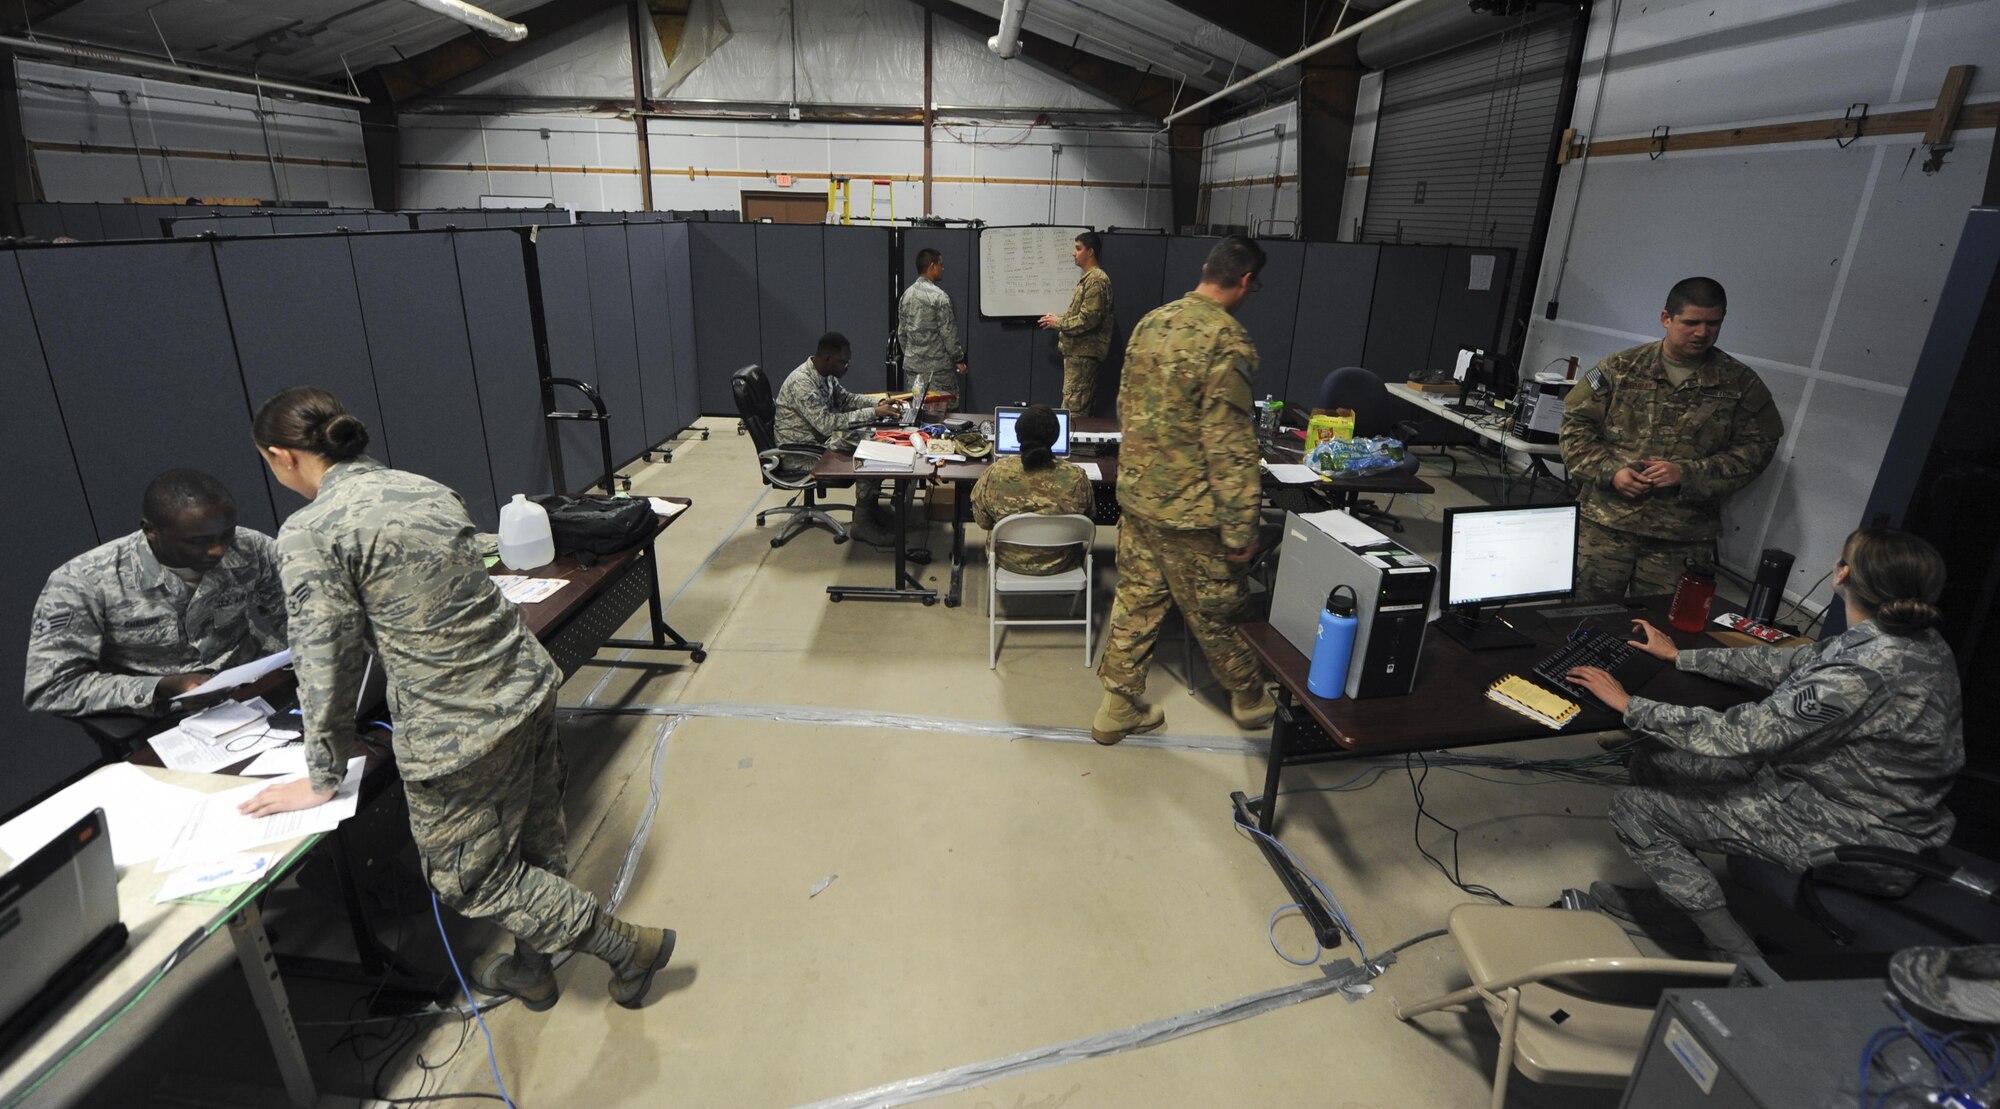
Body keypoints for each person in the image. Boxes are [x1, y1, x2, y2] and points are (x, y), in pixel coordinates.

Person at [238, 387, 674, 1010]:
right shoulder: (424, 487)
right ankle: (533, 969)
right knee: (534, 842)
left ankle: (624, 947)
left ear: (281, 457)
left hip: (456, 726)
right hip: (523, 684)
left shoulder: (310, 530)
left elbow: (324, 661)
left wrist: (321, 776)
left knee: (468, 880)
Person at [1567, 527, 1963, 958]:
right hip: (1857, 805)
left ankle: (1734, 952)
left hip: (1855, 838)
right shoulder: (1912, 639)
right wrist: (1681, 656)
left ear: (1842, 574)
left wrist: (1629, 704)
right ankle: (1678, 899)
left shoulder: (1863, 671)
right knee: (1653, 762)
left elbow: (1743, 735)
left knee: (1634, 808)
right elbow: (1788, 661)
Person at [1092, 236, 1276, 745]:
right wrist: (1241, 527)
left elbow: (1127, 409)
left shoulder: (1153, 323)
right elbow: (1229, 442)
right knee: (1218, 607)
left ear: (1204, 270)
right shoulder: (1228, 340)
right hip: (1192, 512)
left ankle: (1118, 706)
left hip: (1138, 496)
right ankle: (1251, 698)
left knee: (1137, 600)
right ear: (1244, 282)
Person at [1559, 277, 1783, 601]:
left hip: (1682, 536)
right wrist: (1610, 472)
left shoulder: (1740, 383)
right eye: (1691, 322)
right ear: (1666, 318)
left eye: (1713, 323)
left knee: (1662, 629)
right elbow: (1574, 426)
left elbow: (1759, 447)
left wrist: (1689, 474)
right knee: (1579, 617)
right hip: (1606, 526)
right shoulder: (1620, 368)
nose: (1702, 332)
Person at [25, 469, 286, 719]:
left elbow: (299, 614)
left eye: (226, 534)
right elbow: (51, 688)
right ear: (150, 530)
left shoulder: (249, 547)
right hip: (165, 714)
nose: (218, 550)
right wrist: (160, 687)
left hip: (257, 684)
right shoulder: (84, 581)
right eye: (199, 541)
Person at [774, 331, 903, 548]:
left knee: (874, 440)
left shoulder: (825, 375)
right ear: (828, 358)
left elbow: (846, 400)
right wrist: (874, 412)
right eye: (844, 362)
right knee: (868, 453)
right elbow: (825, 423)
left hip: (819, 441)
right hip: (803, 452)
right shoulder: (802, 383)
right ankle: (862, 524)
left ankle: (869, 509)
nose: (847, 366)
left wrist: (879, 402)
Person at [971, 404, 1095, 576]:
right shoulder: (1077, 477)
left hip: (1007, 561)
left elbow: (982, 521)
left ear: (1018, 436)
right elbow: (1087, 519)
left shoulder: (995, 473)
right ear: (1056, 436)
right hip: (1061, 563)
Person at [1038, 232, 1114, 415]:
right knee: (1073, 408)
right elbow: (1083, 314)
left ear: (1091, 252)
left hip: (1083, 356)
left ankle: (1075, 445)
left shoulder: (1096, 280)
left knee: (1074, 414)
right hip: (1078, 356)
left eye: (1078, 248)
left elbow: (1089, 320)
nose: (1074, 253)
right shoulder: (1089, 279)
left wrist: (1060, 323)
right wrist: (1059, 318)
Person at [899, 248, 967, 410]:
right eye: (940, 265)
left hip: (912, 370)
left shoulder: (906, 295)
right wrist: (959, 359)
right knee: (944, 412)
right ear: (931, 266)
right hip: (938, 370)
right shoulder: (939, 297)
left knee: (916, 412)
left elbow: (902, 333)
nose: (942, 269)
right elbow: (948, 333)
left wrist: (913, 355)